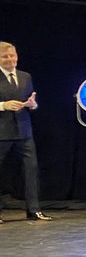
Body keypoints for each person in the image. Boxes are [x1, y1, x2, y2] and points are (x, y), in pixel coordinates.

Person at [0, 42, 50, 223]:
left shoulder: (25, 76)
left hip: (24, 130)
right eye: (5, 57)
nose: (10, 60)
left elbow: (32, 102)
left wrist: (32, 105)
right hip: (2, 131)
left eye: (12, 56)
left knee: (31, 169)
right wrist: (3, 105)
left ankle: (34, 210)